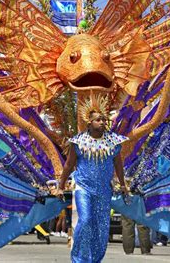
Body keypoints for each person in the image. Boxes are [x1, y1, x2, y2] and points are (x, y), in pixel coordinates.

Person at [57, 96, 128, 262]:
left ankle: (95, 259)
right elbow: (68, 166)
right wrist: (60, 186)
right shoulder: (78, 142)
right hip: (83, 188)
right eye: (98, 120)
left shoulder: (114, 142)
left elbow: (118, 166)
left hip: (104, 191)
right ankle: (78, 259)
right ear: (89, 123)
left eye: (104, 120)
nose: (102, 122)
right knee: (86, 219)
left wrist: (123, 185)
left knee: (101, 228)